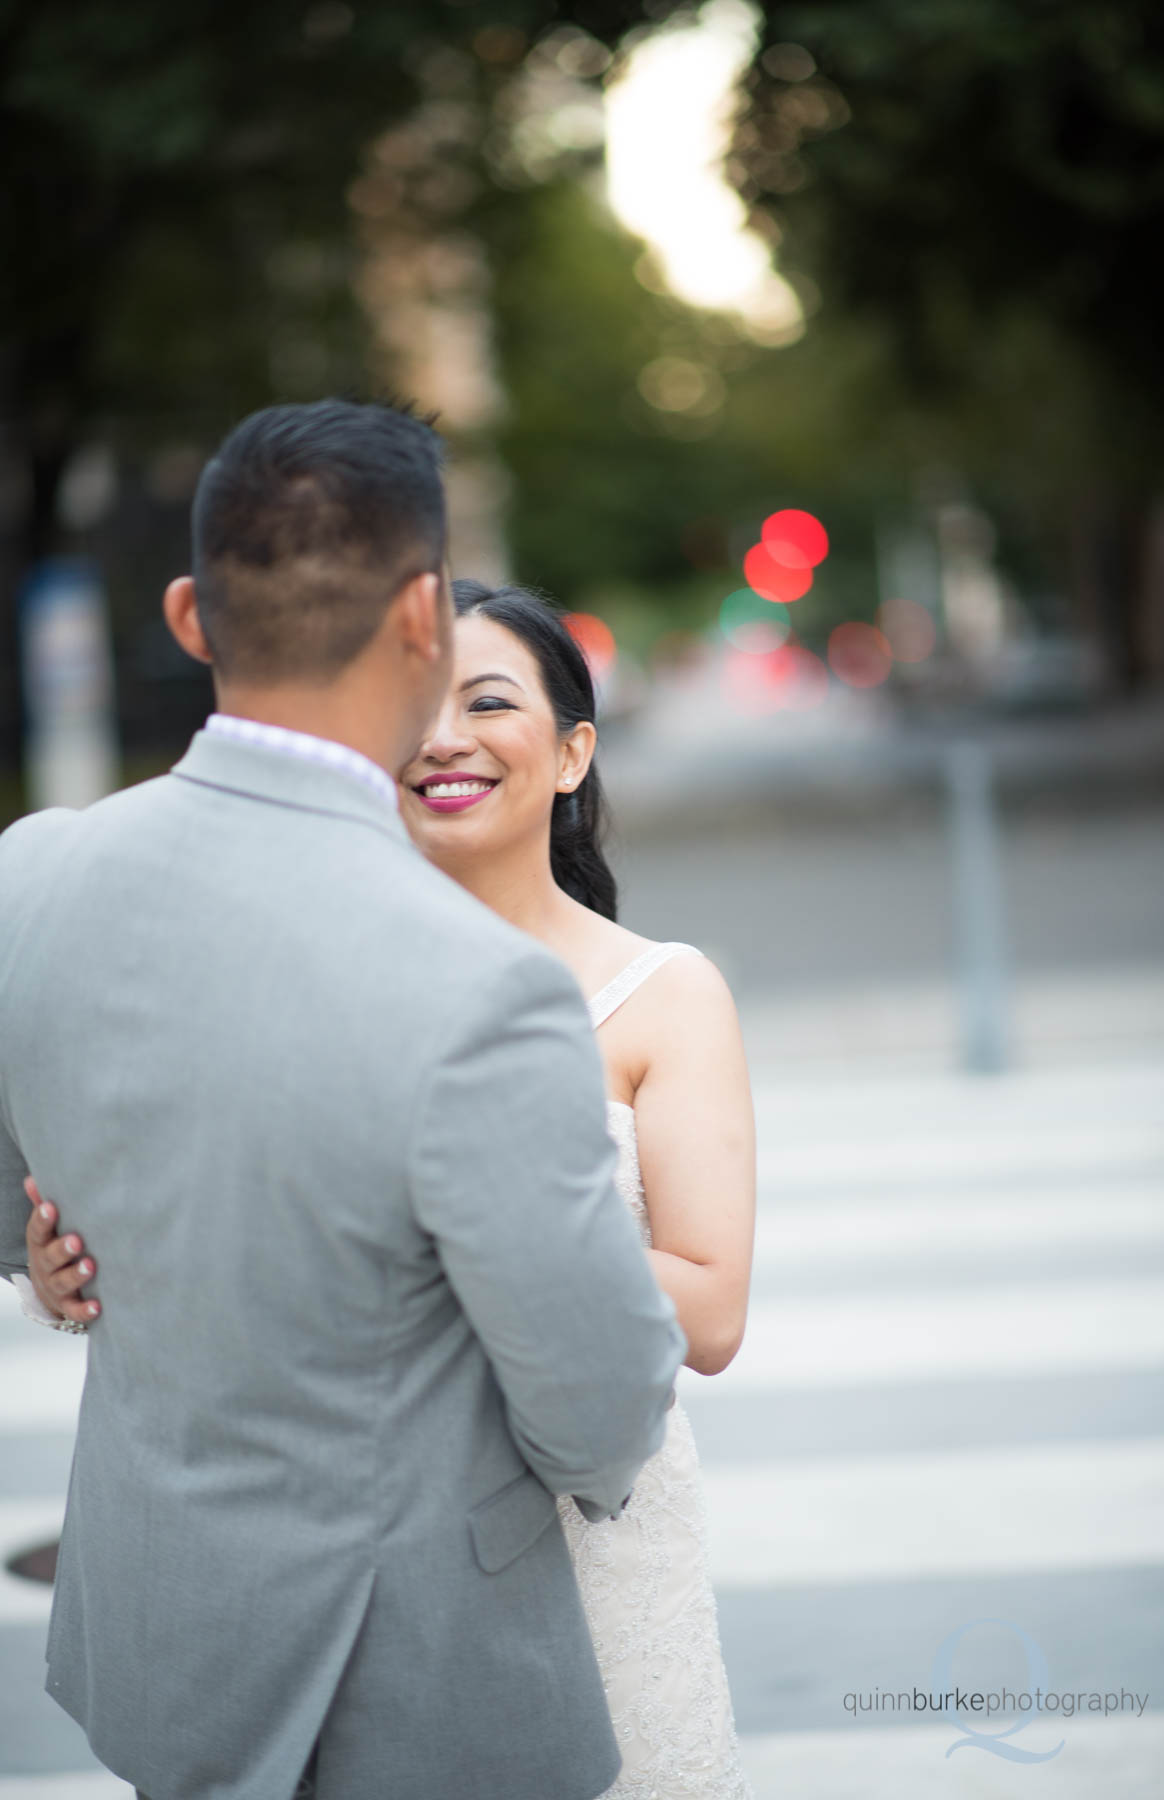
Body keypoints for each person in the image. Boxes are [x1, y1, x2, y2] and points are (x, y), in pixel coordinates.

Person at [0, 398, 687, 1800]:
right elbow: (599, 1397)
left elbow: (25, 1211)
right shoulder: (478, 982)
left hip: (160, 1640)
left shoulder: (32, 876)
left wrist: (50, 1262)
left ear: (192, 615)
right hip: (411, 1676)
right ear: (426, 616)